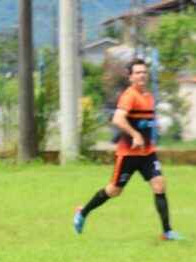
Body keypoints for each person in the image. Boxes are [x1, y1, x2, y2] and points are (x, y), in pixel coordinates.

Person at [73, 58, 182, 241]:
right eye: (138, 72)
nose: (142, 75)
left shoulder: (148, 97)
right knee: (114, 190)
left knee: (159, 184)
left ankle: (167, 232)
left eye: (144, 72)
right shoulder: (129, 95)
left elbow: (143, 120)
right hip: (128, 154)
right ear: (130, 77)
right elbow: (118, 119)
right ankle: (82, 212)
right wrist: (135, 135)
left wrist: (152, 128)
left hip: (147, 153)